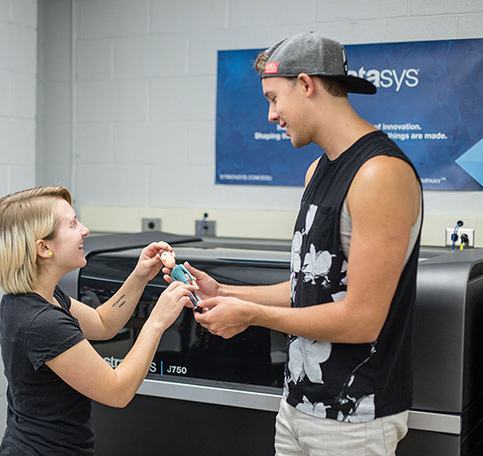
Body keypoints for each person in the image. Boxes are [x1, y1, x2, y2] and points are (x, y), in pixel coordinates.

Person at [164, 32, 423, 455]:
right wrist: (225, 292)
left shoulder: (380, 174)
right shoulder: (317, 171)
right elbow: (310, 290)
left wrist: (250, 315)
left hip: (354, 418)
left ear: (306, 85)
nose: (270, 115)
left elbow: (362, 319)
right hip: (298, 405)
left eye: (273, 98)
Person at [0, 186, 195, 455]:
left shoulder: (34, 299)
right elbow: (117, 391)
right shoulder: (41, 322)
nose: (85, 230)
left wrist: (140, 275)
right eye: (72, 224)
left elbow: (102, 323)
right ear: (44, 248)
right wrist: (157, 321)